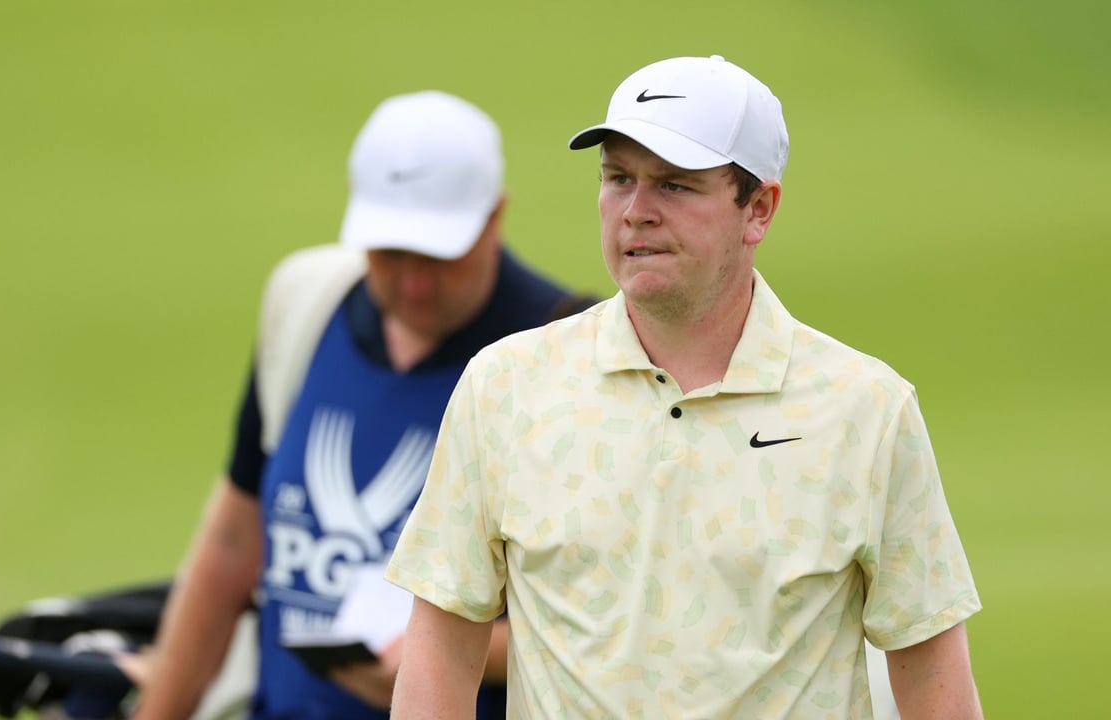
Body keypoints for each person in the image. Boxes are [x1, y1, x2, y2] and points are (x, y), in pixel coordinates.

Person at [386, 55, 983, 719]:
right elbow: (440, 649)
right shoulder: (504, 387)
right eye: (619, 179)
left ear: (758, 208)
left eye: (674, 186)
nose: (636, 212)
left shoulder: (866, 410)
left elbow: (934, 681)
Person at [132, 90, 573, 719]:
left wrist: (436, 649)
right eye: (391, 254)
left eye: (439, 256)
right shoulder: (306, 303)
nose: (414, 283)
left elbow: (609, 627)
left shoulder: (563, 357)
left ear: (495, 218)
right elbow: (232, 544)